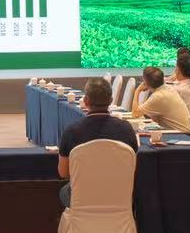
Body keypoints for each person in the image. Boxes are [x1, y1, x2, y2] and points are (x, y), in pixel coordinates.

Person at [56, 78, 138, 207]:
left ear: (85, 101)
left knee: (64, 191)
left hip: (83, 198)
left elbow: (64, 173)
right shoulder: (126, 129)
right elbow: (133, 167)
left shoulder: (72, 131)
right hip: (118, 198)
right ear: (111, 101)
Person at [134, 66, 190, 135]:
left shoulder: (158, 96)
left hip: (182, 135)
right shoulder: (168, 88)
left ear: (145, 82)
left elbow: (135, 113)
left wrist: (137, 91)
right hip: (184, 132)